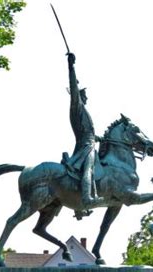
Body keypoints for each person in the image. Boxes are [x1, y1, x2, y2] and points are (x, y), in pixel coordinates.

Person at [64, 52, 103, 207]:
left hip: (89, 141)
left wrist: (98, 137)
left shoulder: (83, 111)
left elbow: (87, 131)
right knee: (89, 168)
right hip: (85, 146)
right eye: (84, 95)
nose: (86, 97)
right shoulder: (77, 106)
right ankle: (87, 197)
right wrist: (71, 66)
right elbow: (74, 87)